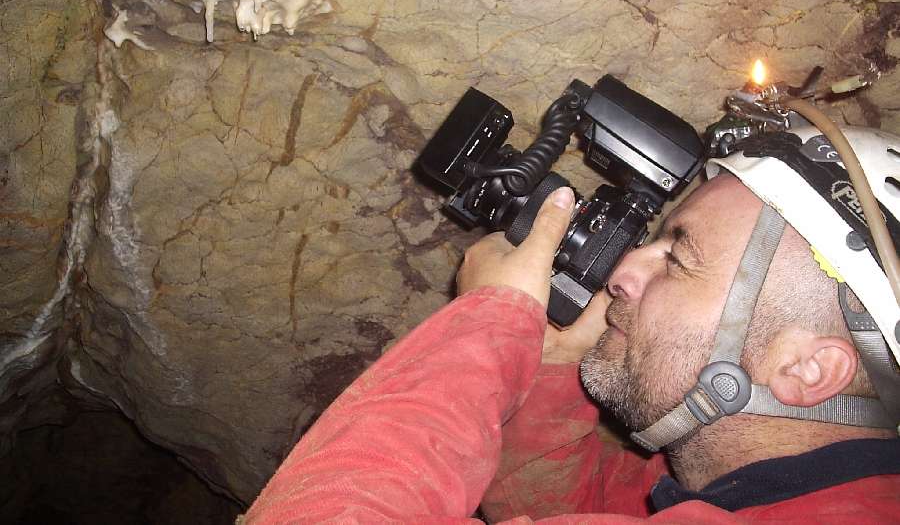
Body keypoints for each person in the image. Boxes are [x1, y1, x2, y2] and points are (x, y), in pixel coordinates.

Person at [242, 124, 900, 523]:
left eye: (677, 259)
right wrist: (554, 362)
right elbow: (569, 500)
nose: (624, 271)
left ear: (806, 368)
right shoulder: (751, 494)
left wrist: (492, 324)